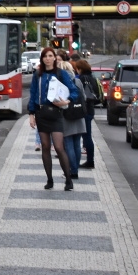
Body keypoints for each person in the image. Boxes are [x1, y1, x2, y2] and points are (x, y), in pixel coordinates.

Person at [27, 48, 79, 191]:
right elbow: (33, 95)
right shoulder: (37, 74)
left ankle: (68, 179)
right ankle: (49, 179)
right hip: (41, 113)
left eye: (50, 56)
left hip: (56, 113)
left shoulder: (61, 73)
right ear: (42, 59)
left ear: (55, 58)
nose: (48, 59)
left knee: (58, 147)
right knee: (45, 146)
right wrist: (31, 115)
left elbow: (74, 90)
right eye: (45, 56)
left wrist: (67, 101)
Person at [57, 51, 83, 180]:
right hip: (79, 115)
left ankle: (72, 171)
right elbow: (83, 97)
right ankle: (76, 168)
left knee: (68, 145)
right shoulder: (77, 82)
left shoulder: (60, 83)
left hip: (66, 116)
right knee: (77, 143)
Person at [76, 58, 103, 169]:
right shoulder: (93, 78)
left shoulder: (82, 79)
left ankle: (90, 161)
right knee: (87, 136)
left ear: (80, 69)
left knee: (86, 137)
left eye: (77, 69)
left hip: (83, 110)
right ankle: (90, 160)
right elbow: (96, 94)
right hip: (90, 110)